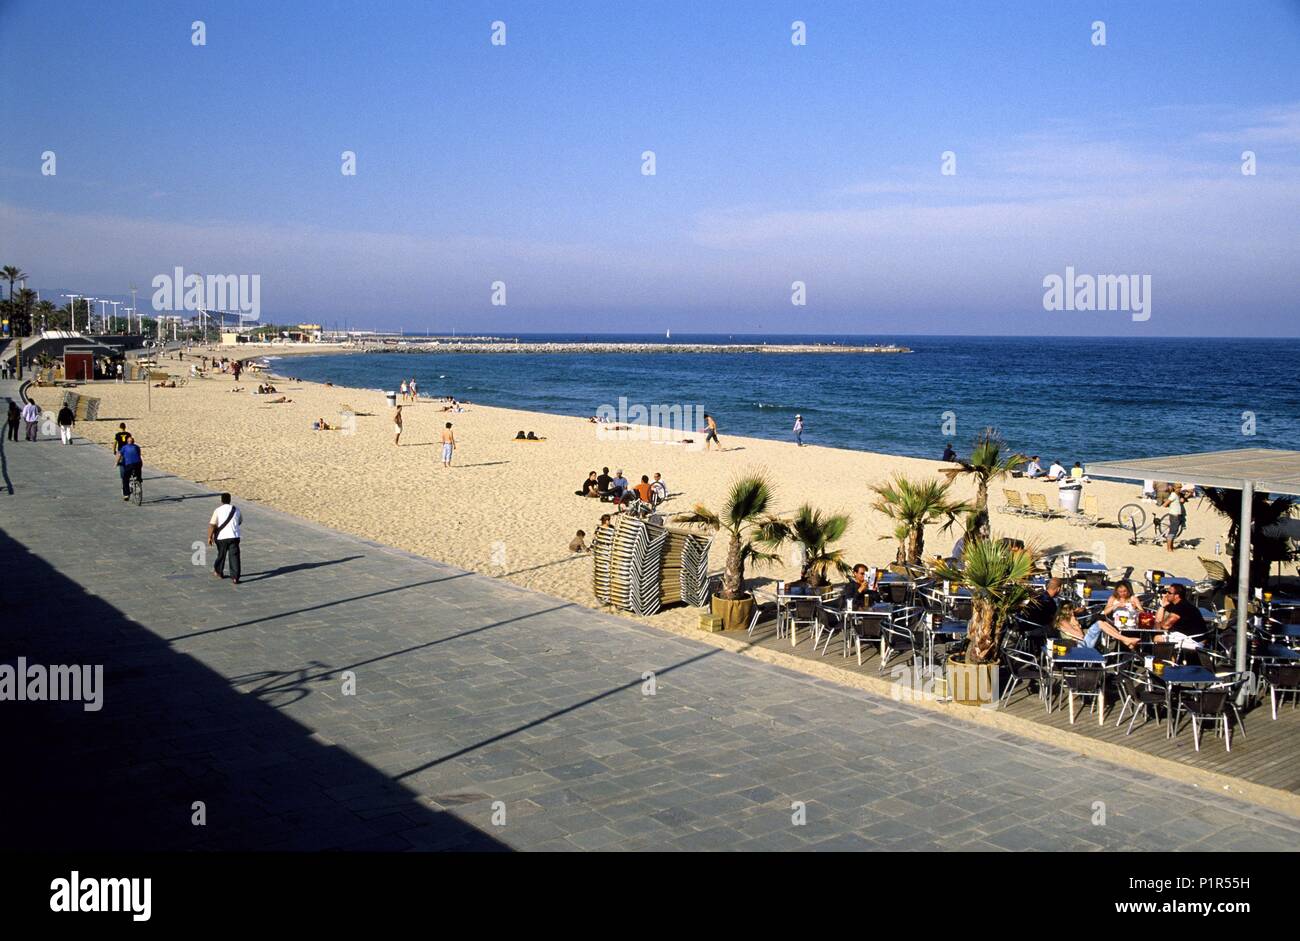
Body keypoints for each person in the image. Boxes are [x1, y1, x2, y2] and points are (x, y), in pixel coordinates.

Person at [1055, 601, 1139, 651]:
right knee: (1099, 623)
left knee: (1103, 623)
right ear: (1067, 611)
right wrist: (1077, 625)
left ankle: (1125, 640)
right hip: (1079, 646)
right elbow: (1081, 636)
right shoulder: (1063, 622)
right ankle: (1125, 640)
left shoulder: (1066, 619)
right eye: (1072, 609)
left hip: (1081, 643)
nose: (1074, 611)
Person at [207, 492, 242, 584]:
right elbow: (239, 521)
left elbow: (212, 525)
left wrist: (209, 537)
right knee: (234, 556)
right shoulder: (236, 509)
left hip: (221, 537)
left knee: (221, 554)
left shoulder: (218, 510)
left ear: (221, 500)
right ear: (230, 500)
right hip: (234, 536)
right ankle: (235, 577)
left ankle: (219, 571)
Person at [1020, 578, 1062, 642]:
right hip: (1035, 630)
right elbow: (1054, 621)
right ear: (1058, 589)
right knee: (1059, 632)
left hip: (1024, 626)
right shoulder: (1050, 603)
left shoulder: (1038, 595)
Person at [115, 434, 143, 501]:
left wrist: (116, 463)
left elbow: (119, 455)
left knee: (125, 478)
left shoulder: (124, 447)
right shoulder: (137, 447)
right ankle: (139, 479)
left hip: (129, 465)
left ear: (127, 442)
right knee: (138, 470)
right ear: (133, 442)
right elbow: (138, 455)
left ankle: (126, 494)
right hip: (138, 463)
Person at [1162, 487, 1184, 552]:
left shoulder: (1177, 495)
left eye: (1180, 488)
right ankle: (1169, 549)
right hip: (1174, 516)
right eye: (1178, 488)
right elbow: (1165, 504)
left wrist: (1181, 502)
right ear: (1175, 488)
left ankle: (1171, 547)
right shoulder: (1173, 495)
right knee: (1172, 532)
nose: (1180, 489)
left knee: (1174, 531)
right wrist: (1170, 506)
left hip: (1176, 516)